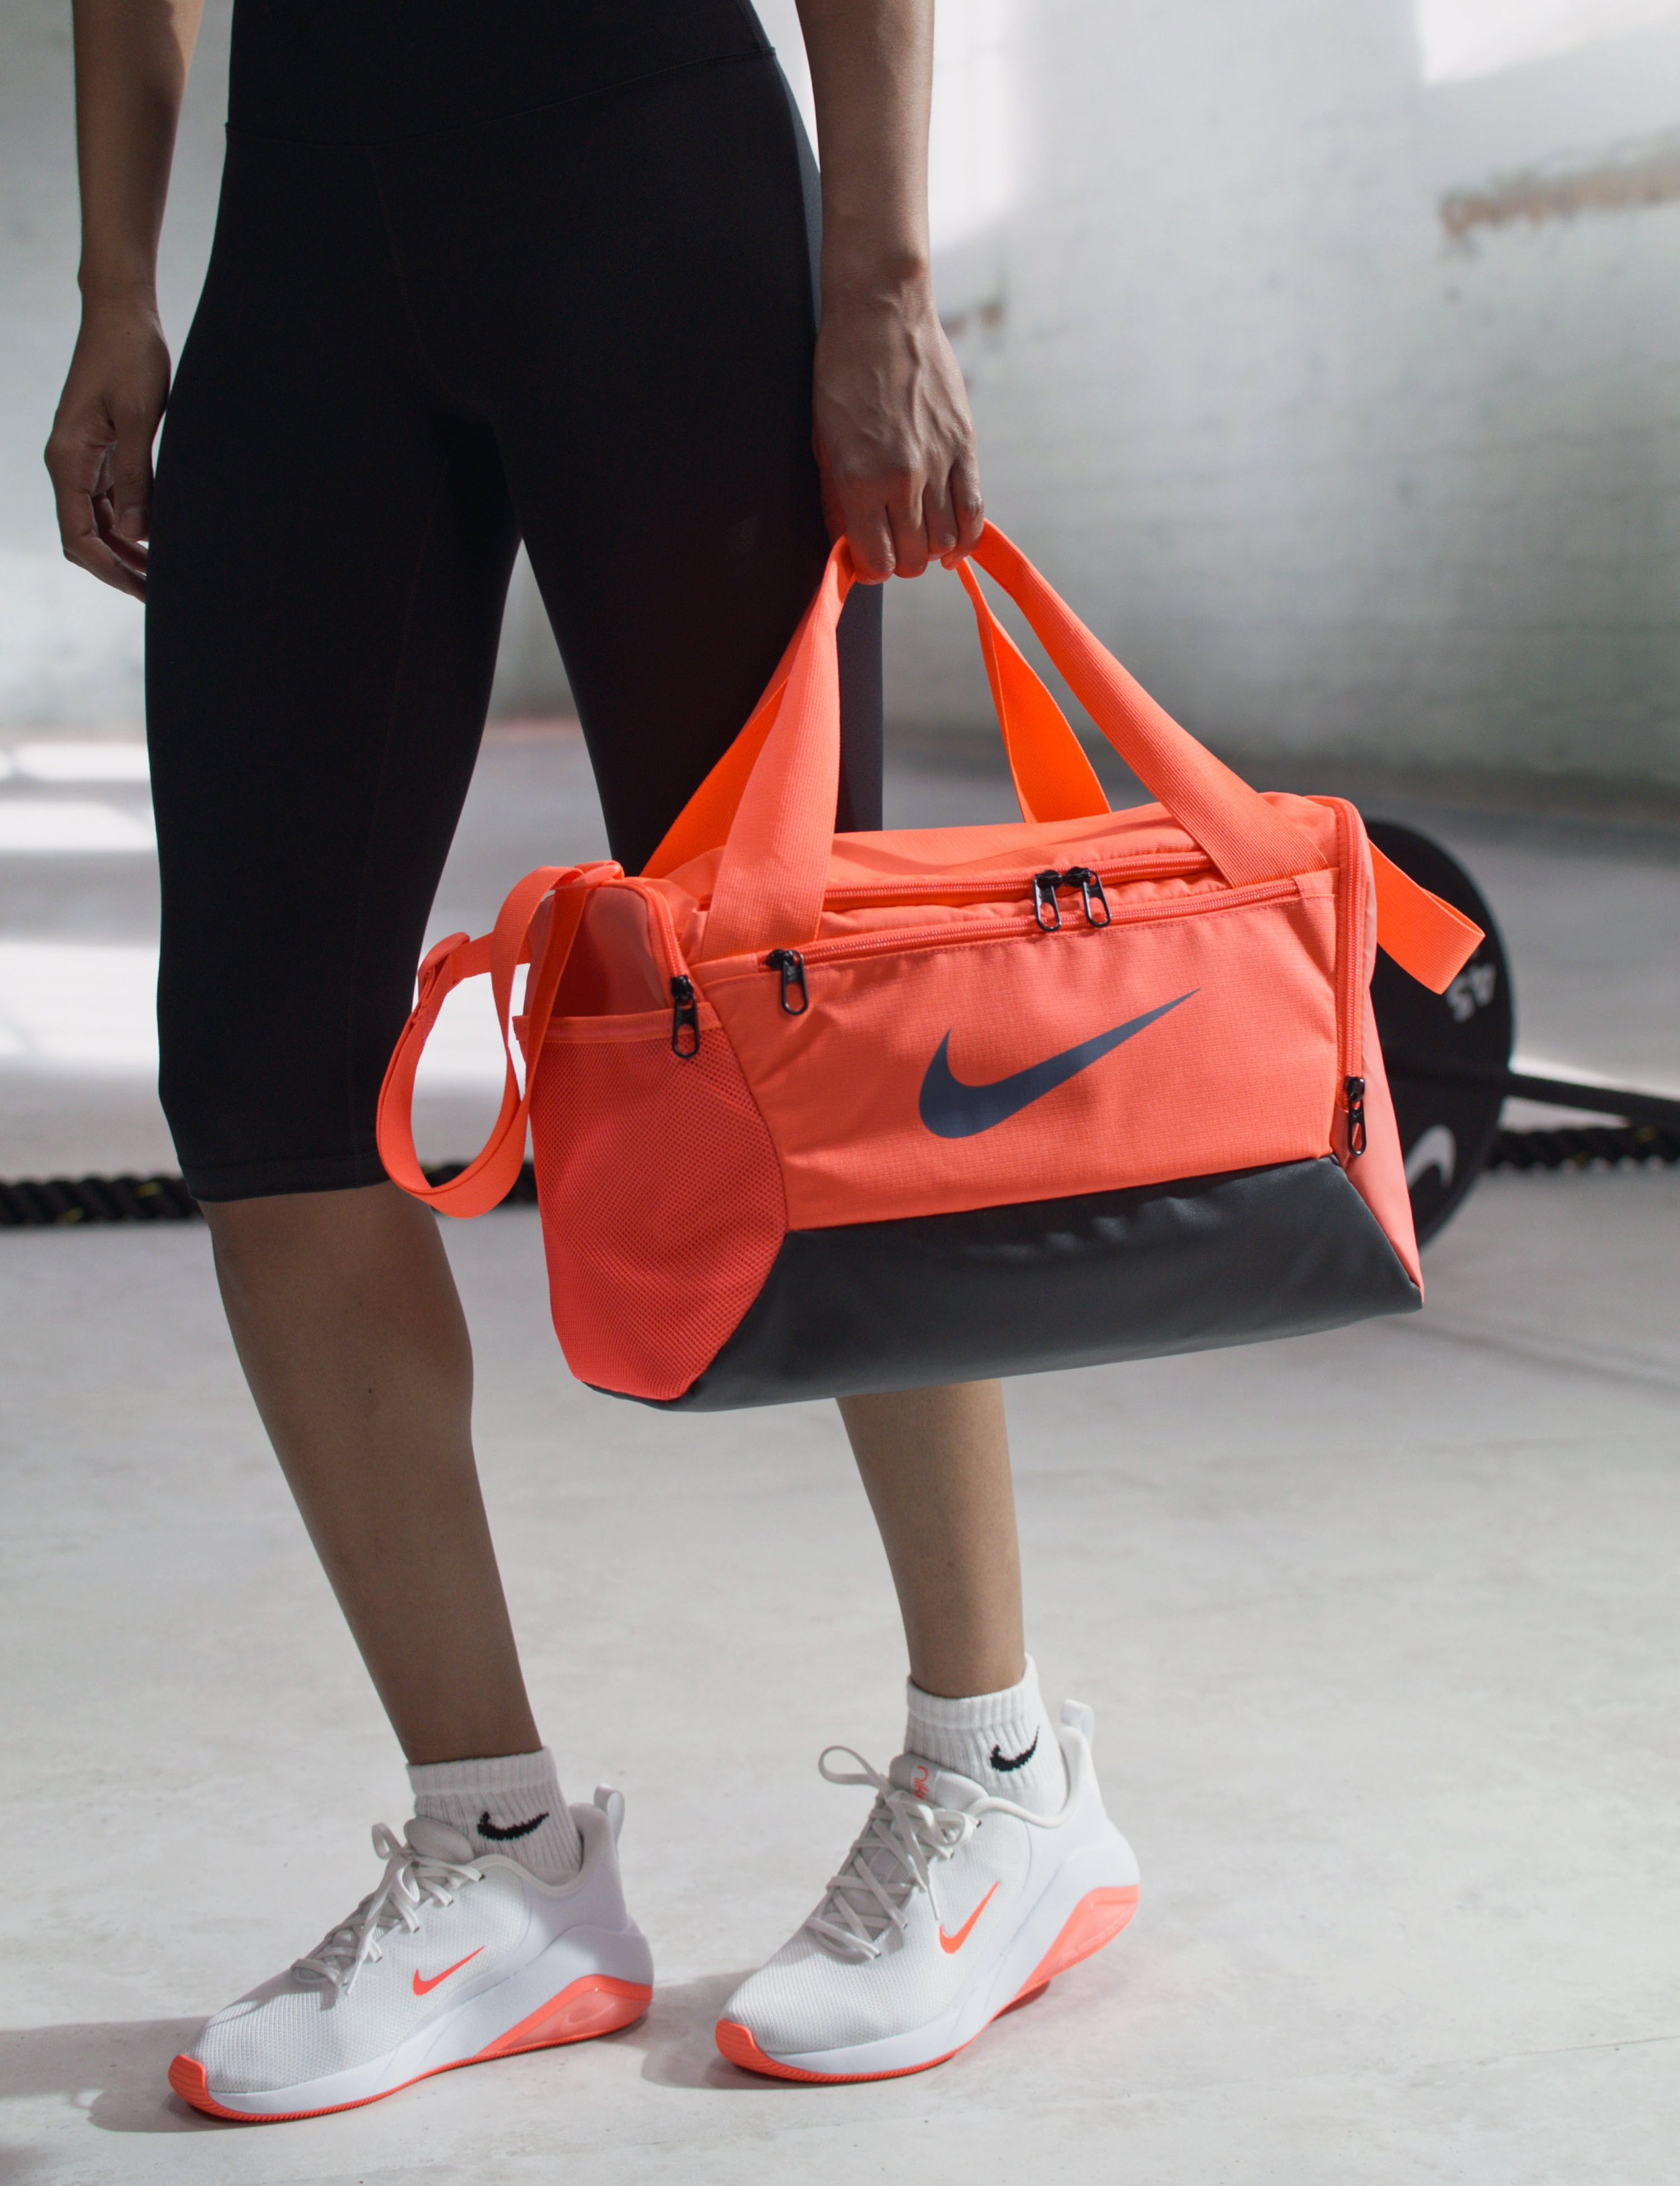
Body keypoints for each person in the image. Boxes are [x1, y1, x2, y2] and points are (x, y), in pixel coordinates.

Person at [47, 0, 1138, 2114]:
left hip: (648, 176)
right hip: (306, 225)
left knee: (791, 1011)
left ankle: (1002, 1781)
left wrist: (884, 277)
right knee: (264, 1082)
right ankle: (498, 1856)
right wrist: (118, 279)